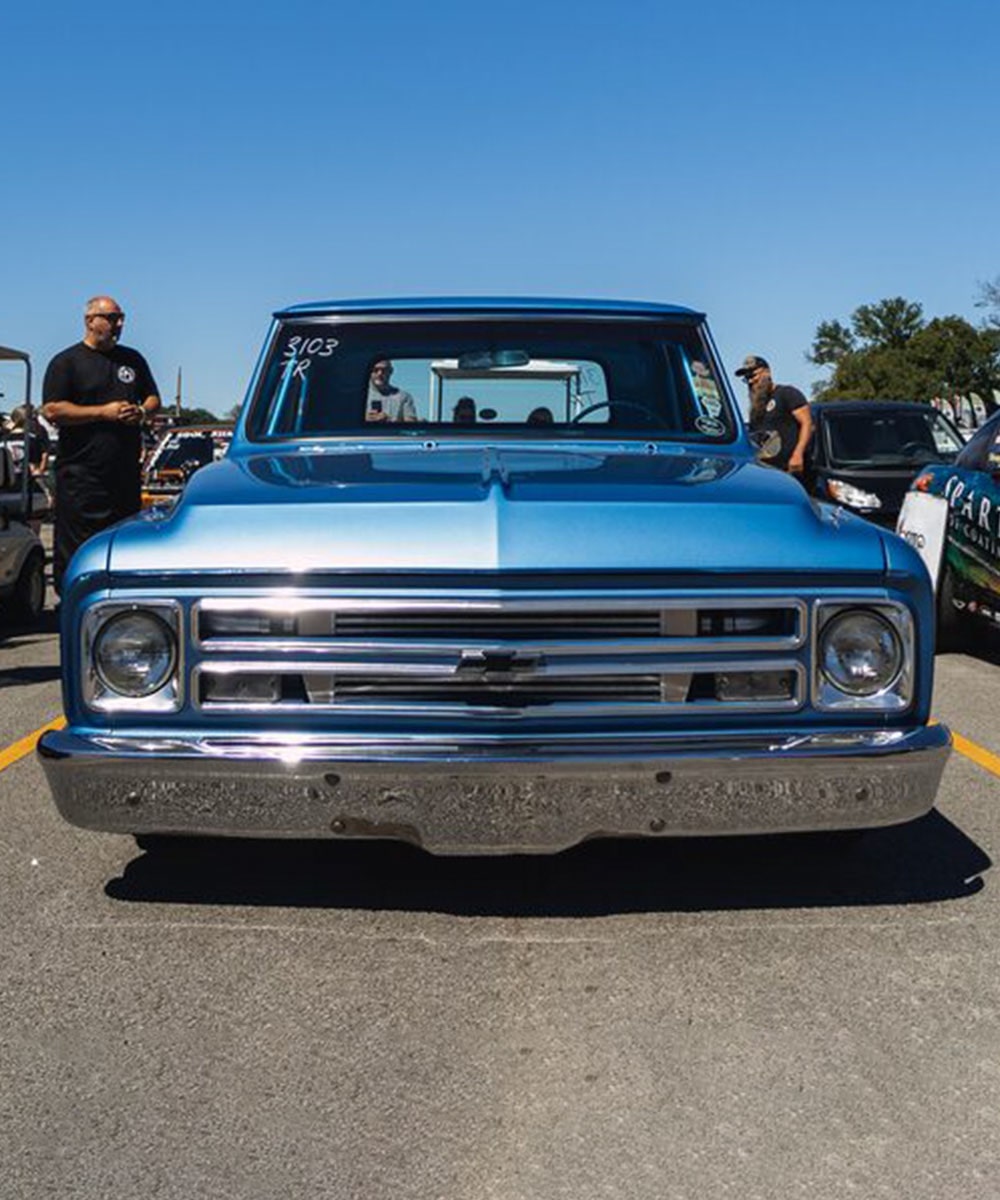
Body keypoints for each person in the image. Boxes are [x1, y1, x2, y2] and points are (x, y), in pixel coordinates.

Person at [42, 295, 161, 592]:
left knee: (124, 543)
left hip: (123, 475)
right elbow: (53, 410)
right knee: (79, 549)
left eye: (121, 318)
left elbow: (154, 398)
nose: (118, 324)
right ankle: (73, 603)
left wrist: (142, 411)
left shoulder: (132, 360)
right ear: (90, 320)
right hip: (82, 477)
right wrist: (102, 412)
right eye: (110, 318)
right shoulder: (66, 362)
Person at [735, 354, 812, 476]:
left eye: (753, 375)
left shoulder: (787, 393)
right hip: (767, 471)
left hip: (792, 470)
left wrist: (798, 454)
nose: (750, 381)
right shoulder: (756, 407)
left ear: (767, 372)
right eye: (746, 378)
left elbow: (807, 423)